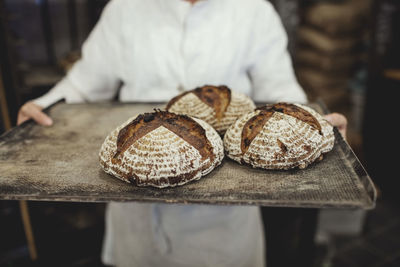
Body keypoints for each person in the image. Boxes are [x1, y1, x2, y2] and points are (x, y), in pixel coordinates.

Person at [17, 0, 347, 266]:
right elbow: (83, 85)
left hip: (224, 228)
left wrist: (314, 123)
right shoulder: (125, 8)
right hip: (135, 217)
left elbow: (281, 94)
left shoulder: (253, 10)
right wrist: (43, 105)